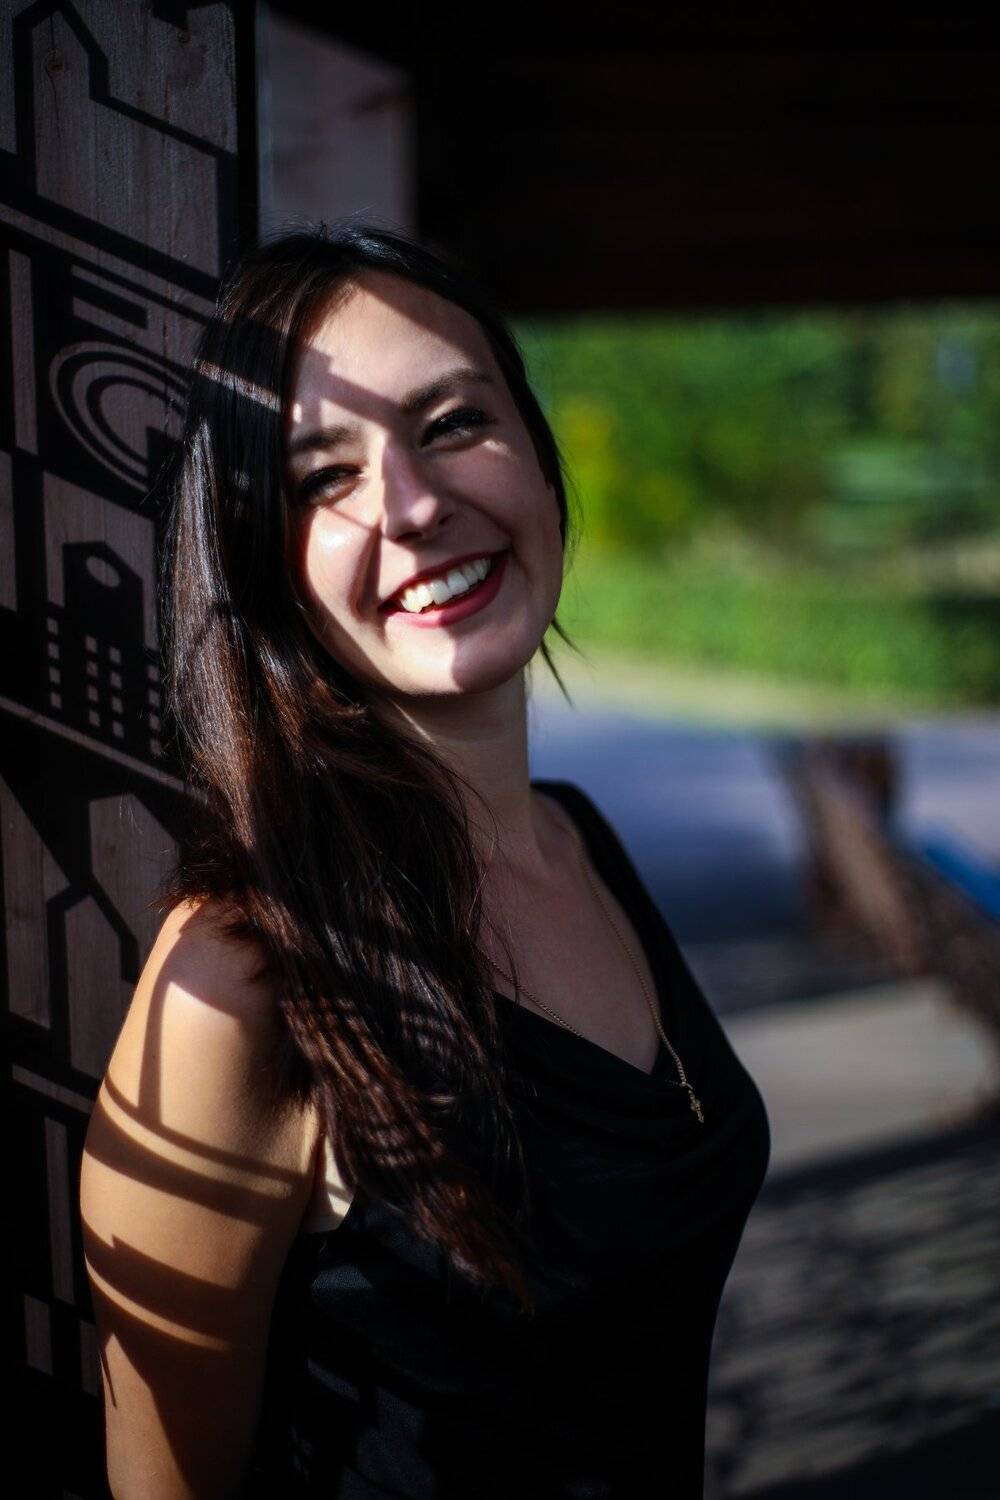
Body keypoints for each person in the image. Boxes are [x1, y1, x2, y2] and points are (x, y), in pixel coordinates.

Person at [80, 222, 770, 1499]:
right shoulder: (243, 977)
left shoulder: (580, 840)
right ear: (261, 558)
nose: (409, 504)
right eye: (320, 478)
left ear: (539, 460)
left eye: (454, 423)